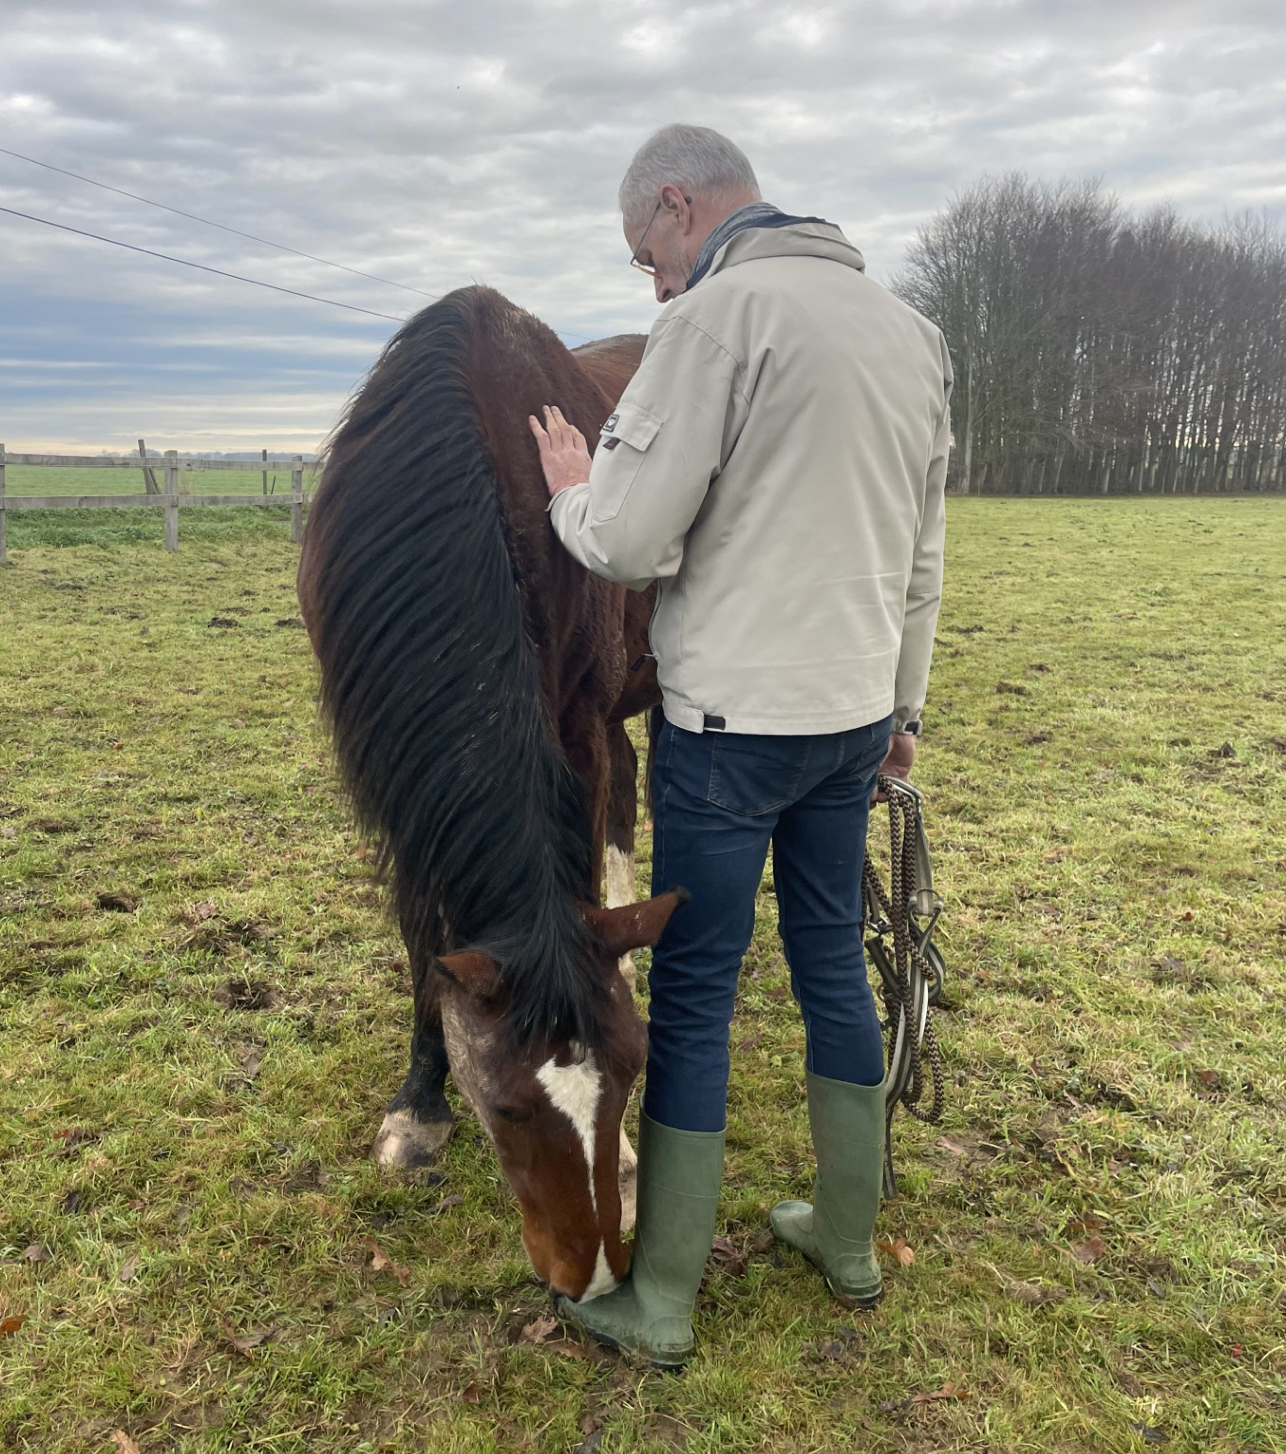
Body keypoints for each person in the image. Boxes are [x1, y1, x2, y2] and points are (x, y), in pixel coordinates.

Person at [528, 123, 951, 1367]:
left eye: (641, 252)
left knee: (700, 988)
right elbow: (922, 558)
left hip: (728, 727)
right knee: (830, 957)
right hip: (857, 715)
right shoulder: (910, 333)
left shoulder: (708, 325)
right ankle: (848, 1238)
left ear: (676, 203)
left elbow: (629, 542)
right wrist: (904, 713)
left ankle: (658, 1299)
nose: (647, 280)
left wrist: (568, 482)